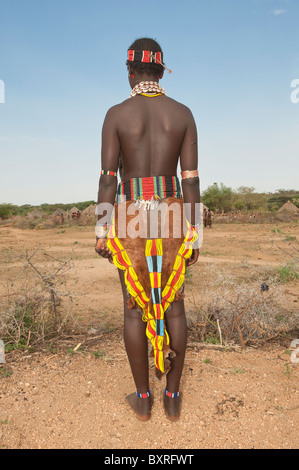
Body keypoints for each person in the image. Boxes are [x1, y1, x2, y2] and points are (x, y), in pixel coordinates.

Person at [95, 38, 200, 422]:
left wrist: (103, 228)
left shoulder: (116, 114)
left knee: (133, 310)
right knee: (174, 306)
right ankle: (172, 395)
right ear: (161, 70)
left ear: (130, 73)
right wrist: (196, 234)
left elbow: (108, 179)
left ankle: (143, 398)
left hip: (131, 217)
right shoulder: (183, 113)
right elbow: (190, 180)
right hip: (173, 214)